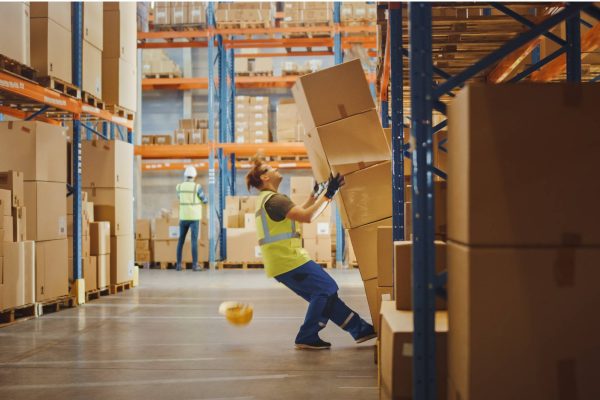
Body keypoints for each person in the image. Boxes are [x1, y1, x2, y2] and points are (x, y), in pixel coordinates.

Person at [246, 159, 376, 350]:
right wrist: (329, 194)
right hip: (288, 260)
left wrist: (314, 196)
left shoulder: (268, 199)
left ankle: (360, 329)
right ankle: (307, 335)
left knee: (325, 293)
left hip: (283, 262)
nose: (276, 169)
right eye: (270, 168)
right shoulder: (275, 200)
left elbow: (301, 211)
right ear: (265, 177)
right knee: (326, 288)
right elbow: (307, 217)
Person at [176, 166, 208, 272]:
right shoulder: (196, 187)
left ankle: (179, 265)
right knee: (194, 241)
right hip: (194, 218)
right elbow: (204, 200)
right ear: (194, 176)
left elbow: (179, 197)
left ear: (185, 175)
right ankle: (195, 265)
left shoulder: (179, 187)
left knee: (181, 241)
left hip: (183, 217)